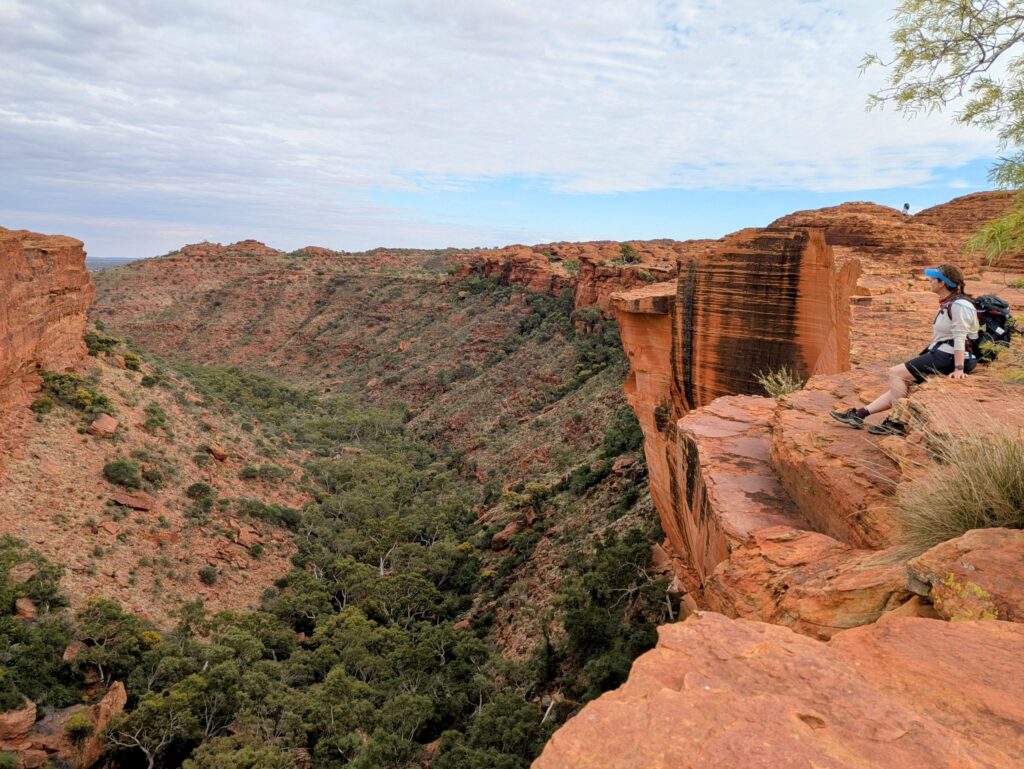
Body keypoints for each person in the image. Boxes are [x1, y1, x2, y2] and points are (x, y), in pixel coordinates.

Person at [830, 263, 979, 436]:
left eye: (933, 278)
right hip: (944, 354)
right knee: (901, 382)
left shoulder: (960, 306)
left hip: (949, 357)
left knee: (896, 373)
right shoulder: (951, 303)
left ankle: (896, 422)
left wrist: (959, 369)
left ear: (942, 283)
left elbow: (961, 337)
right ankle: (859, 415)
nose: (929, 281)